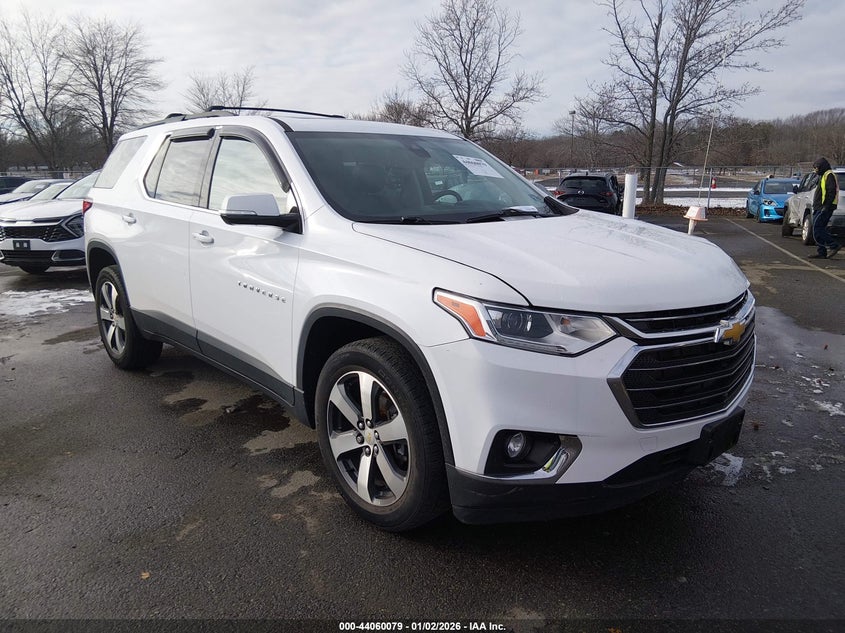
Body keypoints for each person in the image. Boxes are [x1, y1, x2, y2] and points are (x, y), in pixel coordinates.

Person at [808, 157, 840, 259]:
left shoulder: (829, 175)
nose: (815, 170)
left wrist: (826, 206)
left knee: (818, 228)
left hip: (825, 207)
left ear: (822, 167)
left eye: (817, 168)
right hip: (819, 206)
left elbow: (831, 191)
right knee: (817, 229)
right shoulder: (822, 176)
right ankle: (821, 252)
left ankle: (833, 245)